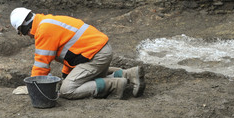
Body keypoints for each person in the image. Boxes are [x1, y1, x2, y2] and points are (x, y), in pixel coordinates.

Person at [10, 7, 145, 100]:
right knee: (79, 79)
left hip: (96, 56)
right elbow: (70, 53)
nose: (28, 36)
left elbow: (41, 64)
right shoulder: (47, 23)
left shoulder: (43, 30)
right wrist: (65, 76)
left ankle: (115, 85)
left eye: (22, 33)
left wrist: (34, 86)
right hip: (99, 52)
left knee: (67, 90)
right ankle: (129, 74)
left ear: (24, 27)